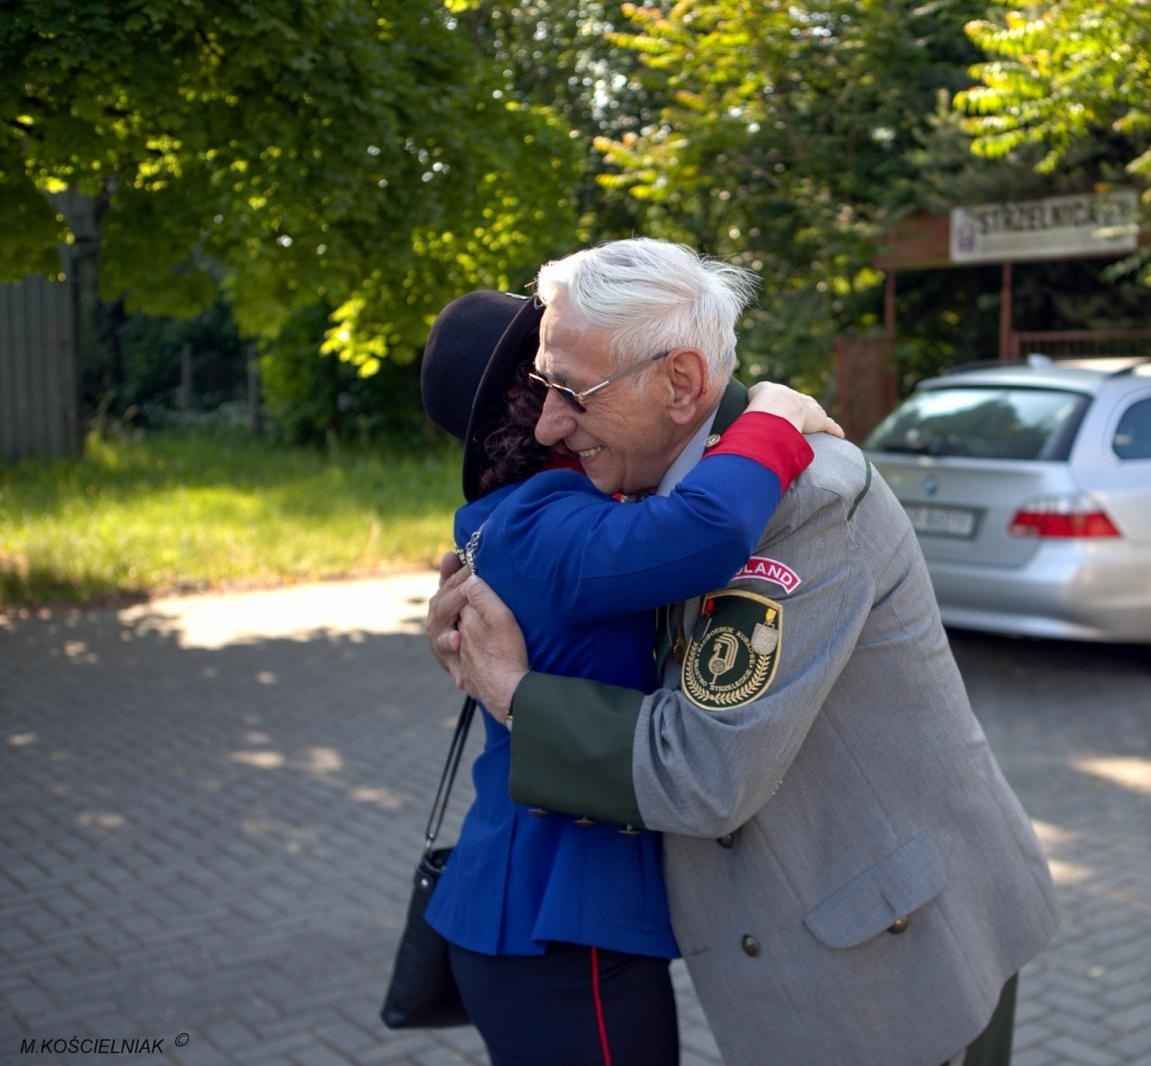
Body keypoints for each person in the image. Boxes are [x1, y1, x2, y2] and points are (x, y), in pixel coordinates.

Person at [429, 238, 1059, 1066]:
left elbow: (702, 770)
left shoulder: (803, 503)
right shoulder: (641, 496)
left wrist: (511, 690)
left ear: (682, 383)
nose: (548, 421)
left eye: (573, 393)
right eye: (543, 388)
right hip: (810, 951)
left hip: (897, 966)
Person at [416, 285, 843, 1065]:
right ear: (525, 400)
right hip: (555, 924)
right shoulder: (541, 518)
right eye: (555, 374)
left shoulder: (516, 517)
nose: (567, 394)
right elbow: (706, 526)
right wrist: (774, 419)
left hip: (545, 918)